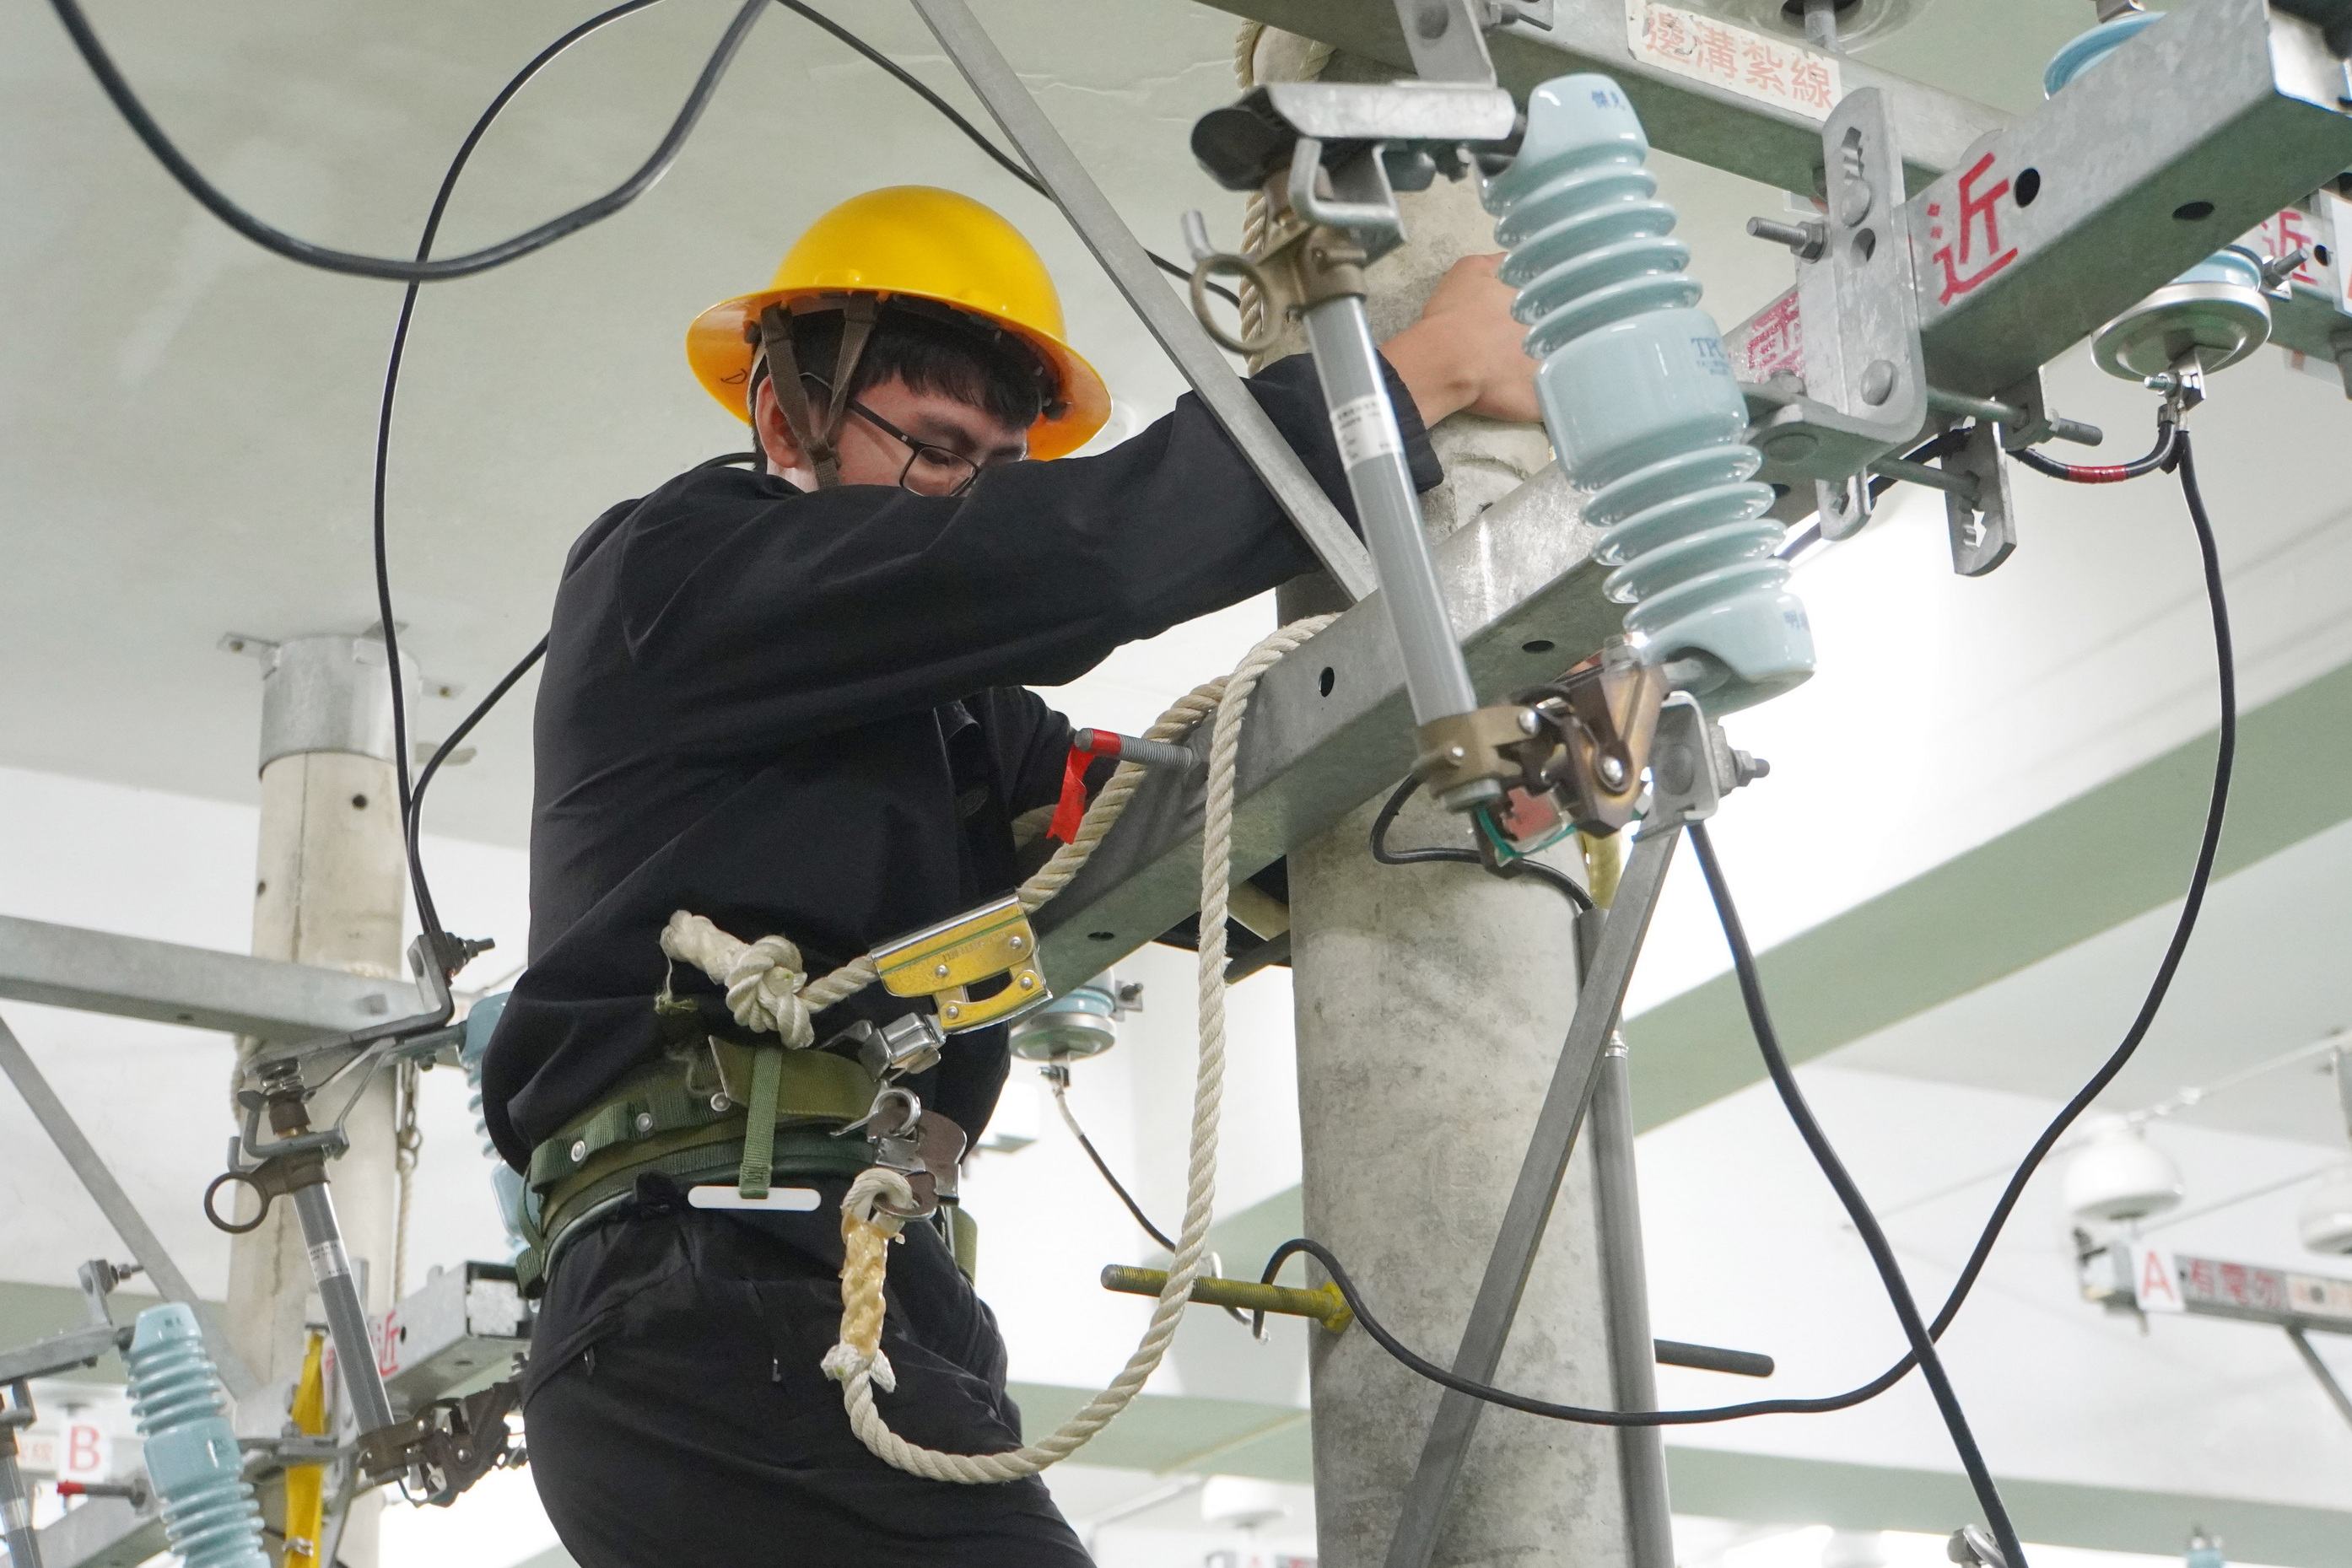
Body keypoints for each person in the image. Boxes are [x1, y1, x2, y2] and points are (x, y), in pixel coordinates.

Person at [482, 185, 1540, 1566]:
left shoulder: (954, 721)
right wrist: (1410, 376)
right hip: (717, 1288)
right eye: (928, 448)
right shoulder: (676, 572)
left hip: (842, 1292)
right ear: (784, 409)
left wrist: (1412, 769)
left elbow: (1155, 822)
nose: (958, 498)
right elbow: (1069, 559)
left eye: (991, 467)